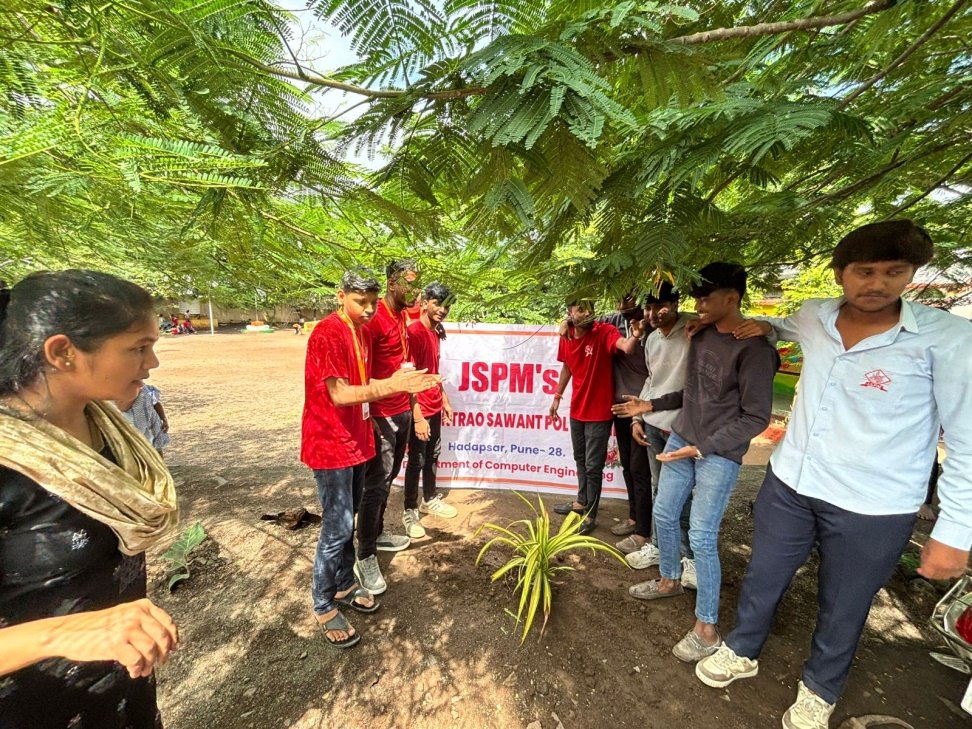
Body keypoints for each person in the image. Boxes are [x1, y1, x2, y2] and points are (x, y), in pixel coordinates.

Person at [695, 221, 972, 729]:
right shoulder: (815, 315)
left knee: (845, 602)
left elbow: (967, 440)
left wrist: (955, 530)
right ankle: (742, 648)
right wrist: (757, 325)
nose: (878, 284)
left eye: (894, 272)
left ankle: (819, 689)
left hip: (875, 504)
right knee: (763, 575)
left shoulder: (949, 339)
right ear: (841, 273)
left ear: (911, 273)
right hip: (791, 484)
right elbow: (778, 324)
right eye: (864, 271)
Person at [0, 269, 180, 728]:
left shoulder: (110, 431)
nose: (153, 362)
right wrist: (60, 634)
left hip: (125, 692)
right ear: (63, 352)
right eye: (138, 348)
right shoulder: (9, 466)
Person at [620, 263, 778, 665]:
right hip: (682, 436)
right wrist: (650, 405)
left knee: (703, 535)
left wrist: (701, 448)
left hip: (719, 453)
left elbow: (755, 418)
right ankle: (669, 579)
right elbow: (690, 392)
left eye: (705, 299)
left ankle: (706, 628)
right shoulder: (702, 335)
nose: (698, 305)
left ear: (733, 298)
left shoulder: (756, 350)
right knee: (664, 513)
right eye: (696, 298)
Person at [300, 268, 440, 647]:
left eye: (372, 302)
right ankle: (323, 604)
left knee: (351, 520)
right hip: (330, 444)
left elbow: (367, 384)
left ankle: (345, 584)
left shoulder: (361, 331)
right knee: (337, 526)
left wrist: (406, 385)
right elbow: (340, 394)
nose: (368, 309)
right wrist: (393, 385)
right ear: (340, 296)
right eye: (360, 301)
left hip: (358, 439)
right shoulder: (328, 332)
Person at [612, 283, 696, 588]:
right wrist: (638, 418)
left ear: (675, 304)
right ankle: (660, 548)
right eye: (647, 308)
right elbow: (652, 380)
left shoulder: (694, 331)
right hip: (653, 425)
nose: (651, 314)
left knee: (681, 496)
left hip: (682, 428)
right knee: (660, 490)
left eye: (659, 306)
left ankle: (688, 559)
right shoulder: (651, 338)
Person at [356, 259, 423, 595]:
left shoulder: (401, 316)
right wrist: (369, 415)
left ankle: (379, 533)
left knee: (389, 479)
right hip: (381, 415)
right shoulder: (375, 318)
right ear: (392, 283)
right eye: (409, 283)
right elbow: (359, 373)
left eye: (418, 283)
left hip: (402, 411)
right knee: (376, 485)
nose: (415, 290)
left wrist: (413, 405)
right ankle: (364, 555)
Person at [549, 298, 645, 534]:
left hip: (600, 413)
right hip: (577, 410)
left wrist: (635, 336)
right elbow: (567, 366)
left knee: (593, 467)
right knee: (580, 459)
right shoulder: (567, 334)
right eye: (581, 309)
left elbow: (626, 347)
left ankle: (590, 515)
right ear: (570, 312)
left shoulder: (604, 331)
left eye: (590, 308)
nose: (587, 313)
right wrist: (557, 396)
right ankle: (581, 502)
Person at [402, 283, 459, 539]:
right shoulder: (413, 333)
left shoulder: (435, 333)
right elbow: (408, 377)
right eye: (438, 303)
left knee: (433, 454)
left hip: (434, 405)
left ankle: (429, 499)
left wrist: (444, 400)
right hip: (420, 408)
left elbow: (433, 372)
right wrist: (417, 417)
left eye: (447, 306)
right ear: (425, 303)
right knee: (416, 460)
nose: (443, 310)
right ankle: (409, 510)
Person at [599, 295, 652, 538]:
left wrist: (638, 414)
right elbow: (584, 320)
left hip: (644, 409)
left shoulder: (654, 326)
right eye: (620, 299)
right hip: (620, 408)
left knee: (641, 470)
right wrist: (566, 323)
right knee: (629, 467)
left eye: (629, 299)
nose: (623, 305)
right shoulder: (614, 321)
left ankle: (643, 529)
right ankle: (634, 518)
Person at [117, 382, 170, 453]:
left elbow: (156, 404)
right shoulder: (119, 394)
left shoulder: (148, 390)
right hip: (136, 436)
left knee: (157, 453)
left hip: (154, 430)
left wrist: (164, 420)